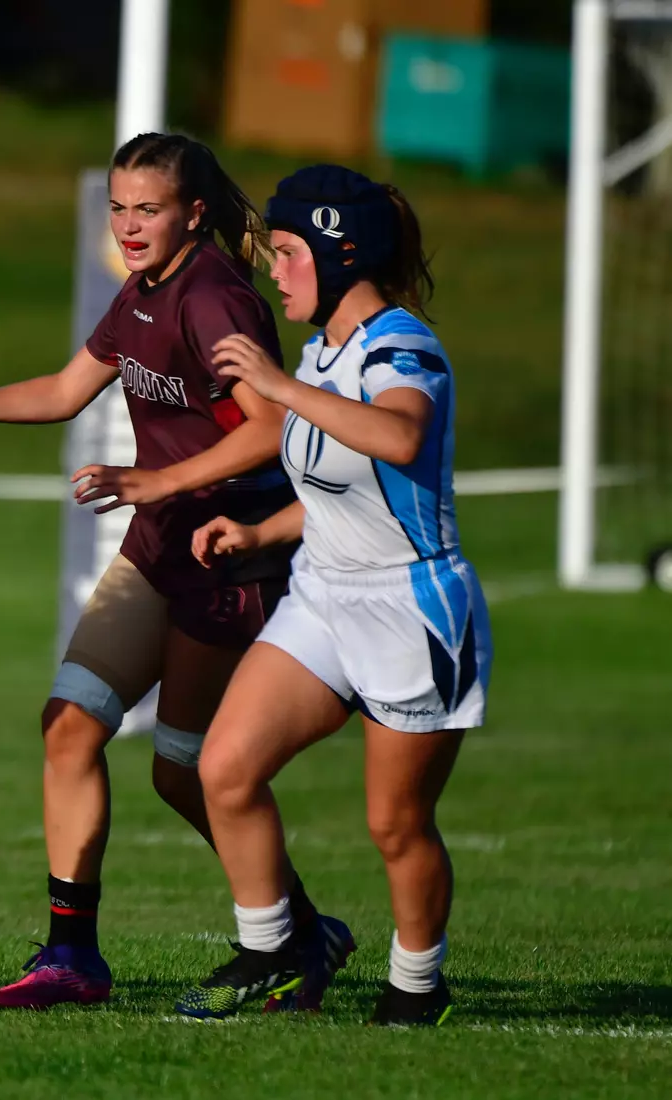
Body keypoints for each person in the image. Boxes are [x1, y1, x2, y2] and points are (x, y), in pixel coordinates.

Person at [0, 133, 350, 1009]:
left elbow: (268, 426)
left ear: (191, 213)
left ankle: (297, 931)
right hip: (158, 546)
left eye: (146, 209)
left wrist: (160, 478)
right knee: (68, 725)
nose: (127, 225)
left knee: (184, 773)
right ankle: (71, 956)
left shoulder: (213, 299)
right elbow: (60, 390)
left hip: (224, 554)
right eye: (117, 208)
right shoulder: (141, 292)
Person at [175, 165, 490, 1027]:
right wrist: (257, 533)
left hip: (409, 610)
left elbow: (396, 434)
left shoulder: (400, 346)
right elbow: (331, 491)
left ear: (335, 252)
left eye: (285, 254)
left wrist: (277, 390)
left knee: (395, 826)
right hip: (323, 597)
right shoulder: (322, 353)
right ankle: (275, 952)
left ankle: (416, 989)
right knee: (224, 770)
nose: (273, 273)